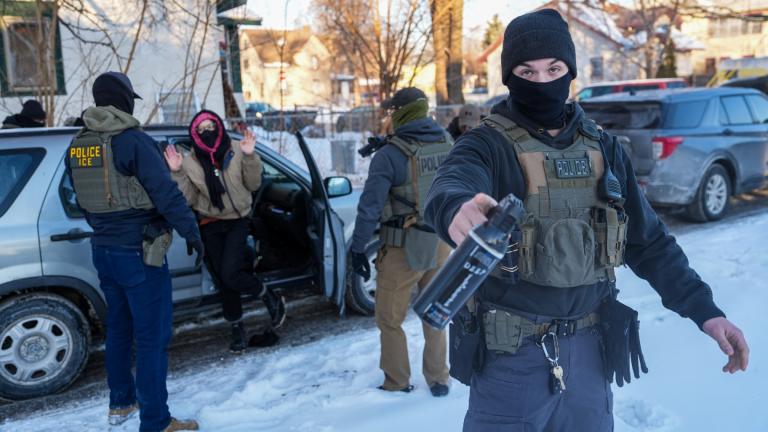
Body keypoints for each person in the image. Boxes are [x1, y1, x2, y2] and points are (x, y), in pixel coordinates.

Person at [424, 9, 749, 431]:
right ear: (509, 76)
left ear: (570, 71)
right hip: (511, 362)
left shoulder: (605, 149)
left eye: (554, 68)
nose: (542, 81)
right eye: (527, 70)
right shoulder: (487, 145)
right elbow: (450, 184)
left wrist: (706, 311)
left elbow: (648, 243)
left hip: (591, 358)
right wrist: (457, 207)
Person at [67, 71, 202, 432]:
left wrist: (106, 229)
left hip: (104, 251)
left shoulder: (79, 143)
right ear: (123, 99)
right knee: (152, 337)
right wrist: (192, 232)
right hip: (139, 254)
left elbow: (81, 198)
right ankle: (156, 421)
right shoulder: (133, 141)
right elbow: (167, 194)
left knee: (119, 331)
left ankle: (121, 403)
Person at [350, 87, 454, 396]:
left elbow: (369, 207)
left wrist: (357, 248)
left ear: (400, 113)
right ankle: (439, 378)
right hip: (439, 241)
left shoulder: (390, 155)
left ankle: (396, 381)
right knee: (435, 312)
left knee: (389, 319)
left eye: (392, 111)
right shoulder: (447, 142)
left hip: (402, 248)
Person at [164, 110, 286, 353]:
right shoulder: (190, 161)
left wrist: (251, 156)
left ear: (219, 127)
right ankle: (237, 327)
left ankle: (266, 294)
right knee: (223, 280)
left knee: (231, 273)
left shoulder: (237, 150)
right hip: (210, 223)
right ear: (195, 134)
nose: (207, 132)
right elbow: (188, 198)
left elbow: (253, 184)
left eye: (211, 126)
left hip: (237, 220)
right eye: (202, 129)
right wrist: (176, 172)